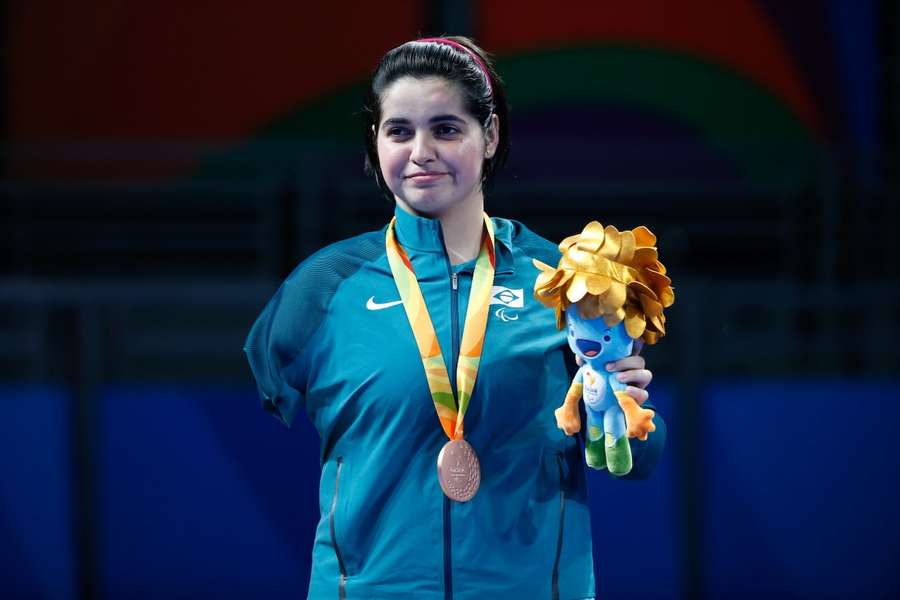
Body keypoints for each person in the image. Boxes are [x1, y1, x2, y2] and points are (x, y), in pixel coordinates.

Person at [243, 36, 665, 600]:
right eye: (399, 130)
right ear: (375, 141)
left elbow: (633, 461)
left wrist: (625, 415)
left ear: (488, 136)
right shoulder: (322, 290)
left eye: (446, 129)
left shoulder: (565, 282)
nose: (421, 151)